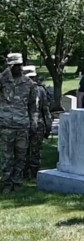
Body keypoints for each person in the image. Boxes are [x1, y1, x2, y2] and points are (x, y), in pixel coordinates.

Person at [0, 53, 37, 194]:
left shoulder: (28, 83)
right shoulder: (3, 80)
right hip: (5, 125)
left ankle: (17, 182)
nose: (17, 68)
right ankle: (7, 183)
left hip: (22, 125)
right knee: (7, 157)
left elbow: (33, 106)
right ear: (9, 66)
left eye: (19, 65)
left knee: (21, 156)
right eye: (14, 65)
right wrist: (4, 72)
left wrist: (33, 122)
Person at [22, 65, 52, 179]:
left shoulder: (41, 90)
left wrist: (48, 126)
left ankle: (33, 174)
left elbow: (45, 110)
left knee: (35, 151)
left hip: (37, 124)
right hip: (23, 125)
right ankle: (25, 173)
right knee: (23, 151)